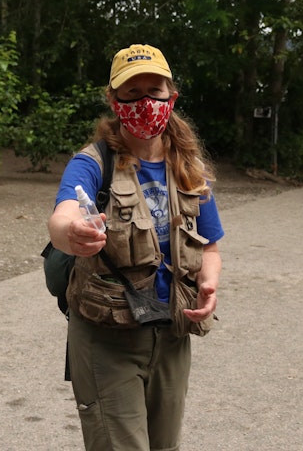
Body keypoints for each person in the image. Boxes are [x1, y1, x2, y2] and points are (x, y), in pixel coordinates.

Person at [47, 44, 224, 451]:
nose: (145, 103)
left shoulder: (190, 169)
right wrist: (73, 232)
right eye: (131, 93)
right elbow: (62, 216)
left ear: (171, 97)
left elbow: (210, 247)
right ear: (114, 100)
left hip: (172, 334)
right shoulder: (93, 163)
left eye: (154, 91)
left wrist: (209, 285)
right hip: (107, 337)